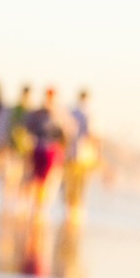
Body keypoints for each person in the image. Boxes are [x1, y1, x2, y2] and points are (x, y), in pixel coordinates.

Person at [23, 87, 65, 210]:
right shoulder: (40, 113)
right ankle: (34, 206)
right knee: (36, 179)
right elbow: (28, 127)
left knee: (42, 180)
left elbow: (65, 133)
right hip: (40, 148)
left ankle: (37, 207)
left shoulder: (57, 113)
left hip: (48, 150)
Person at [62, 88, 99, 218]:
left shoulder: (72, 111)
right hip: (84, 155)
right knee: (81, 183)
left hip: (70, 152)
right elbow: (92, 134)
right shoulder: (88, 113)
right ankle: (76, 210)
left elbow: (65, 132)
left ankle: (69, 209)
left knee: (70, 182)